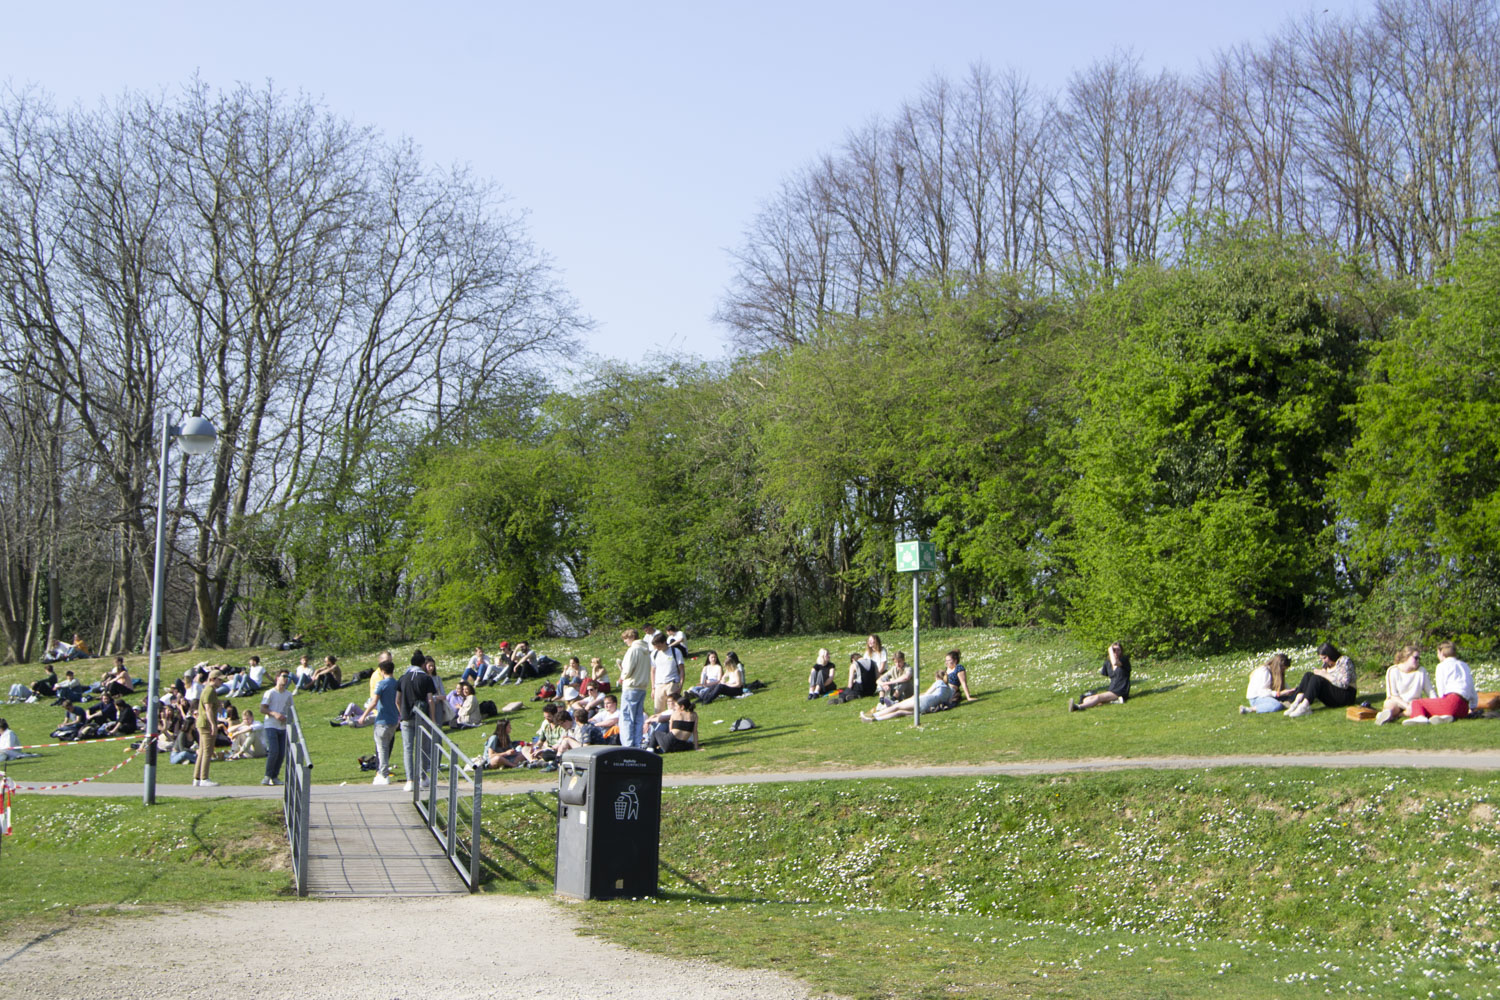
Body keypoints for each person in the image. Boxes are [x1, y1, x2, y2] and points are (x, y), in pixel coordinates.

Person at [1403, 641, 1476, 725]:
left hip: (1451, 702)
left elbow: (1441, 689)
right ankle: (1445, 716)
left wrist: (1441, 704)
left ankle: (1419, 717)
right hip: (1464, 708)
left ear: (1441, 653)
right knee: (1436, 707)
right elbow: (1472, 689)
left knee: (1417, 703)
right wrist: (1472, 707)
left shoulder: (1441, 666)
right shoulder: (1464, 665)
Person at [397, 657, 441, 791]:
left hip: (406, 717)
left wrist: (402, 714)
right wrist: (433, 718)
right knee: (423, 748)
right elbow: (430, 700)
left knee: (408, 749)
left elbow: (397, 700)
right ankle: (422, 777)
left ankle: (410, 780)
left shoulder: (403, 678)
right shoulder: (426, 679)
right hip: (422, 717)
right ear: (423, 664)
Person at [1285, 642, 1358, 717]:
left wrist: (1325, 675)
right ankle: (1297, 703)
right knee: (1308, 675)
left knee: (1317, 678)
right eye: (1322, 659)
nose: (1324, 661)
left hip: (1346, 695)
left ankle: (1304, 706)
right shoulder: (1326, 664)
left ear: (1331, 654)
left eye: (1325, 658)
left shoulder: (1344, 661)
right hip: (1334, 694)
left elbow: (1344, 684)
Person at [360, 661, 399, 784]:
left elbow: (374, 702)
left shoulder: (381, 684)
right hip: (394, 720)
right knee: (386, 747)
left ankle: (383, 774)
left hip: (382, 720)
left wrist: (363, 716)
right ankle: (382, 773)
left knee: (381, 748)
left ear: (382, 671)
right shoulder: (397, 684)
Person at [1372, 647, 1433, 725]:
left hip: (1413, 703)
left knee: (1415, 708)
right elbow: (1393, 695)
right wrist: (1406, 705)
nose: (1418, 661)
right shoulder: (1393, 670)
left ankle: (1395, 716)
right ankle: (1386, 715)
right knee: (1390, 705)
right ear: (1406, 657)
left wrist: (1436, 703)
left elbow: (1430, 691)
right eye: (1415, 658)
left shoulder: (1421, 671)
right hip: (1397, 702)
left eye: (1419, 658)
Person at [1069, 643, 1130, 711]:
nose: (1116, 652)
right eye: (1114, 650)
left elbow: (1115, 662)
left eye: (1118, 650)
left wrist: (1110, 650)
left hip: (1121, 690)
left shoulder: (1124, 660)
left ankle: (1077, 707)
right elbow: (1109, 670)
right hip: (1111, 689)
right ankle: (1114, 701)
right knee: (1087, 699)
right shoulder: (1108, 663)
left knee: (1098, 697)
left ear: (1121, 651)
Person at [619, 628, 652, 750]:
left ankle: (628, 745)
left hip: (631, 686)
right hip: (642, 687)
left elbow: (627, 669)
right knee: (638, 717)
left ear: (632, 637)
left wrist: (622, 676)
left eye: (626, 638)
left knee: (626, 716)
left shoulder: (633, 649)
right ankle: (637, 743)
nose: (625, 641)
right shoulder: (646, 650)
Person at [260, 670, 294, 785]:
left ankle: (274, 776)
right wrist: (274, 713)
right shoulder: (270, 693)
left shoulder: (288, 694)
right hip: (271, 725)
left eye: (287, 677)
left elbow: (291, 709)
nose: (285, 679)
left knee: (281, 753)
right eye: (283, 676)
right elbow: (262, 709)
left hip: (282, 726)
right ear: (277, 678)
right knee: (273, 750)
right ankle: (267, 776)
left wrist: (287, 717)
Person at [193, 671, 222, 786]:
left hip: (202, 723)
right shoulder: (209, 690)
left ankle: (197, 778)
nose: (221, 682)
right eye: (219, 680)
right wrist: (213, 724)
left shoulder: (210, 690)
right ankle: (204, 778)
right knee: (207, 751)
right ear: (213, 679)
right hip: (206, 724)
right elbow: (208, 709)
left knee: (202, 751)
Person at [650, 631, 680, 713]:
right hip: (659, 684)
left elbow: (681, 669)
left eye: (658, 645)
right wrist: (653, 688)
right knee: (658, 710)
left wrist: (680, 685)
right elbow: (653, 671)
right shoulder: (654, 654)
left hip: (672, 682)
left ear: (664, 642)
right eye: (655, 645)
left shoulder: (675, 651)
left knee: (673, 709)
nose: (657, 647)